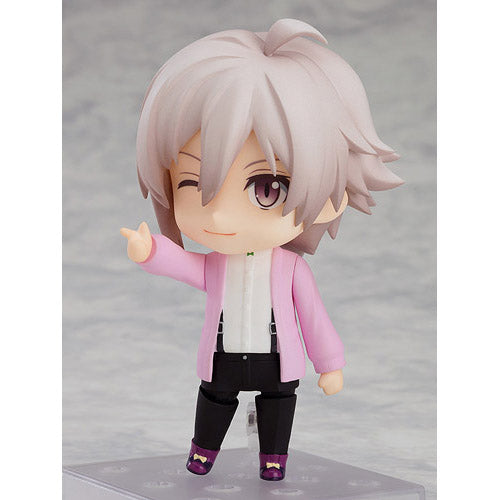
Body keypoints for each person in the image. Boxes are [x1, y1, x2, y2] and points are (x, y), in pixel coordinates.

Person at [121, 18, 402, 481]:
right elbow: (187, 265)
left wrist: (329, 364)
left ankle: (274, 458)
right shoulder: (218, 266)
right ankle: (203, 451)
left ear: (329, 196)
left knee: (278, 403)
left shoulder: (290, 269)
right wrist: (149, 250)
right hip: (223, 357)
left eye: (266, 188)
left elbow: (313, 318)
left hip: (277, 359)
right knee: (214, 399)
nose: (219, 217)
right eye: (192, 183)